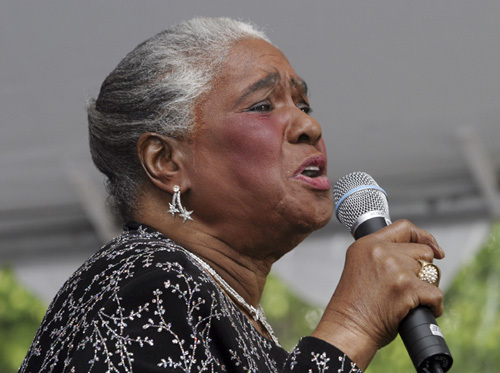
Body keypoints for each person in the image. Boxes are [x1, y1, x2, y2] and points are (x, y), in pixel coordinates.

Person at [20, 17, 445, 372]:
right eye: (263, 105)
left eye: (304, 105)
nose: (308, 126)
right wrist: (352, 326)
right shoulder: (141, 281)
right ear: (166, 161)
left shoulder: (217, 304)